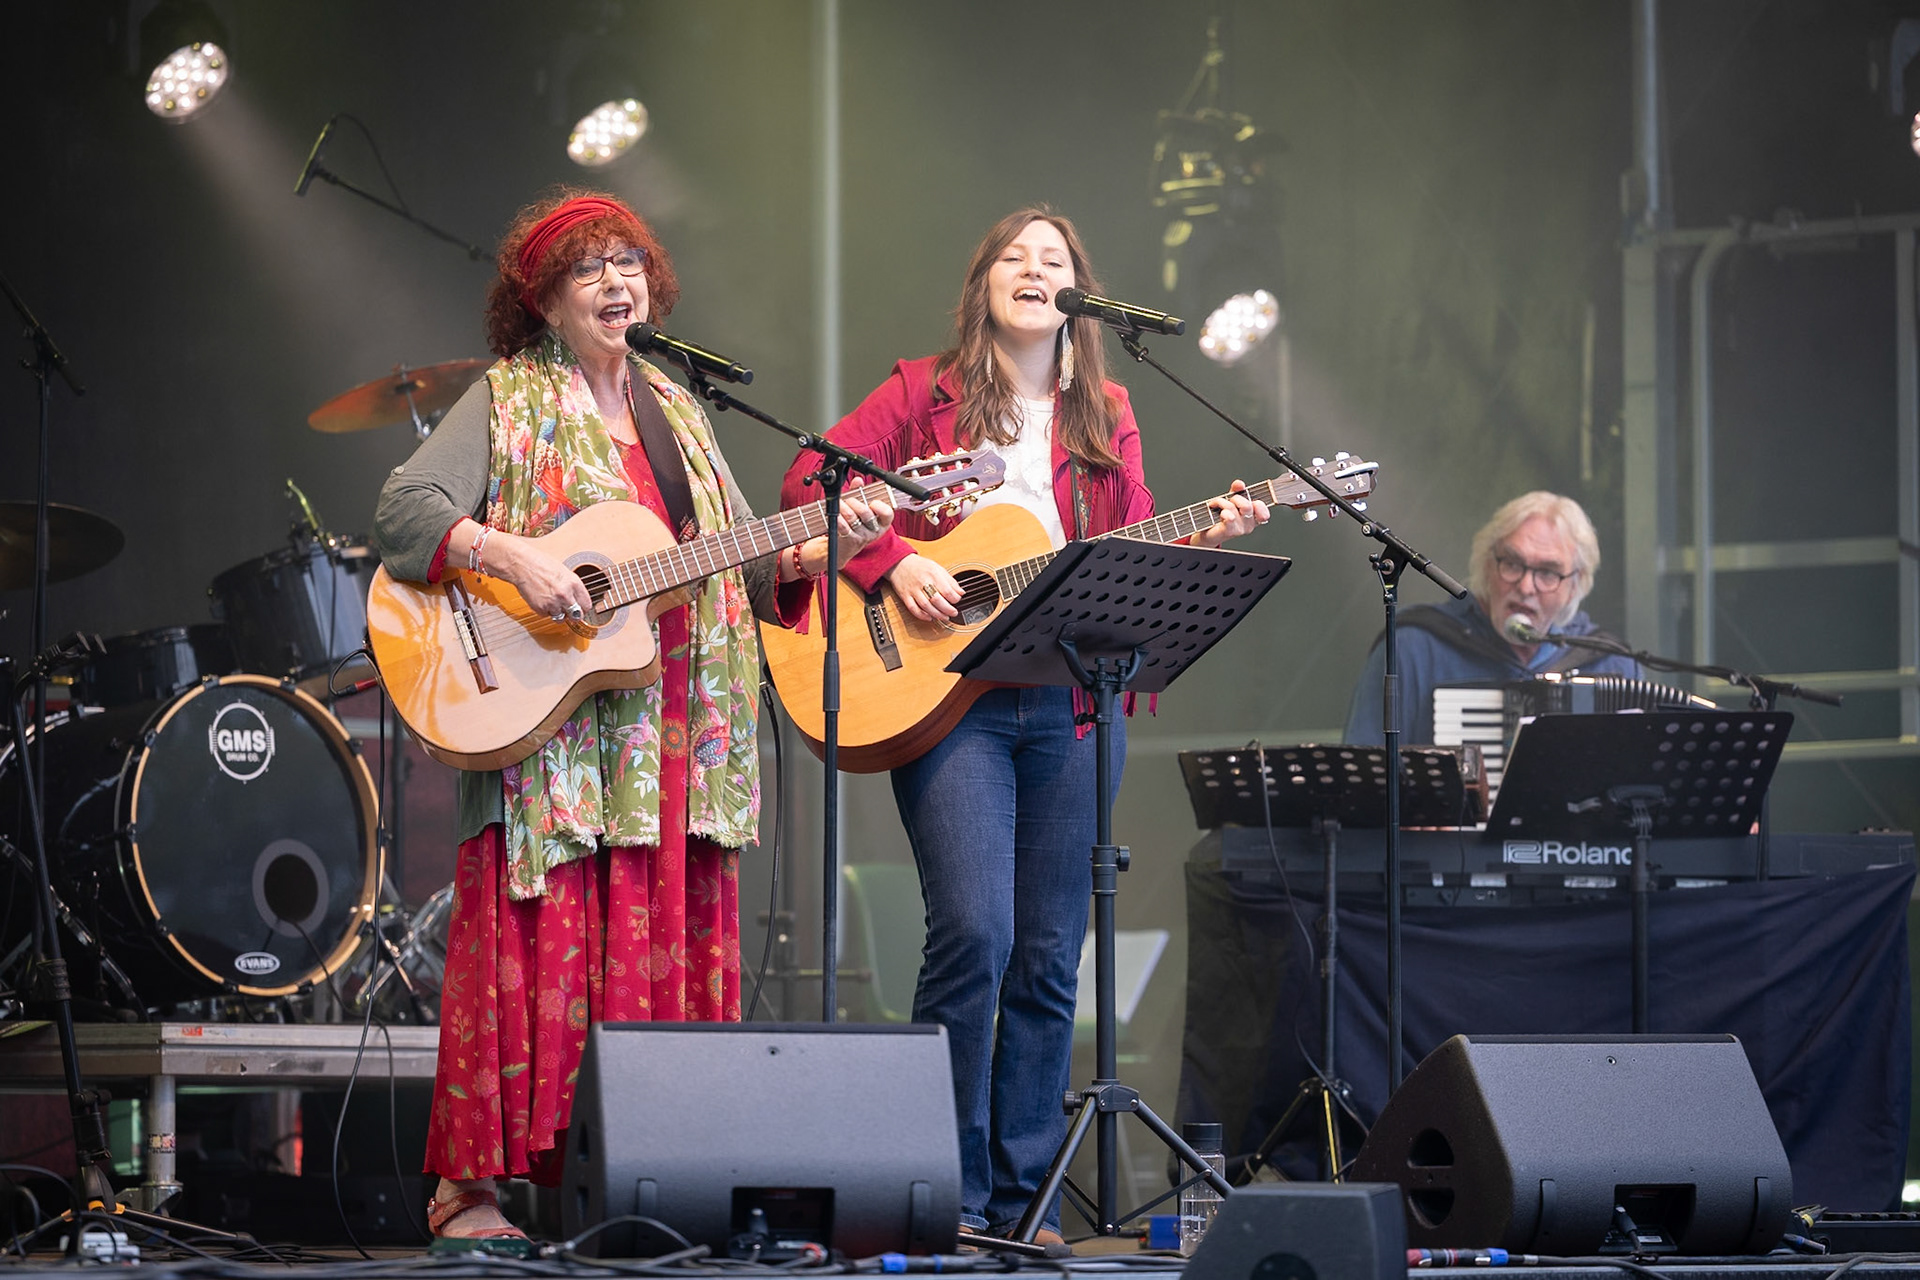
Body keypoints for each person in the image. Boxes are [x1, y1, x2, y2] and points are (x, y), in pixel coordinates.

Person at [373, 190, 893, 1240]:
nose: (618, 282)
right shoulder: (507, 397)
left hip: (676, 745)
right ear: (544, 300)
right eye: (589, 267)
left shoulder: (681, 411)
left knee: (668, 940)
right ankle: (466, 1191)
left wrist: (820, 548)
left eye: (630, 263)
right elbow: (402, 512)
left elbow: (743, 569)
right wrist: (515, 556)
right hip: (554, 740)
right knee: (535, 943)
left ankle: (662, 1177)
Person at [779, 207, 1268, 1242]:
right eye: (1016, 256)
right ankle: (945, 1191)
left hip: (1069, 701)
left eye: (1054, 260)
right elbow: (810, 484)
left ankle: (1021, 1196)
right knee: (975, 932)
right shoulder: (922, 392)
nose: (1035, 269)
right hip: (951, 699)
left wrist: (1211, 538)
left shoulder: (1109, 411)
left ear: (1079, 294)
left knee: (1048, 954)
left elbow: (1130, 552)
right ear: (984, 284)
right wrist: (893, 563)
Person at [1343, 490, 1641, 746]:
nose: (1526, 587)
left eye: (1548, 573)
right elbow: (1366, 776)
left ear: (1575, 585)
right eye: (1512, 563)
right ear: (1486, 565)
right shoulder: (1411, 649)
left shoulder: (1610, 664)